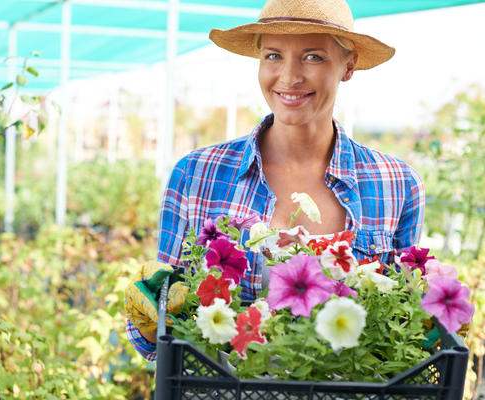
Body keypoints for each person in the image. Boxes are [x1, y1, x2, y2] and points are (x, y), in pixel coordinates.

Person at [125, 0, 425, 361]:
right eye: (273, 56)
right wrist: (148, 319)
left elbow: (399, 328)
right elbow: (163, 330)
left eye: (313, 57)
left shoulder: (396, 184)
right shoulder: (196, 173)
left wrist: (430, 328)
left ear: (349, 65)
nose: (289, 77)